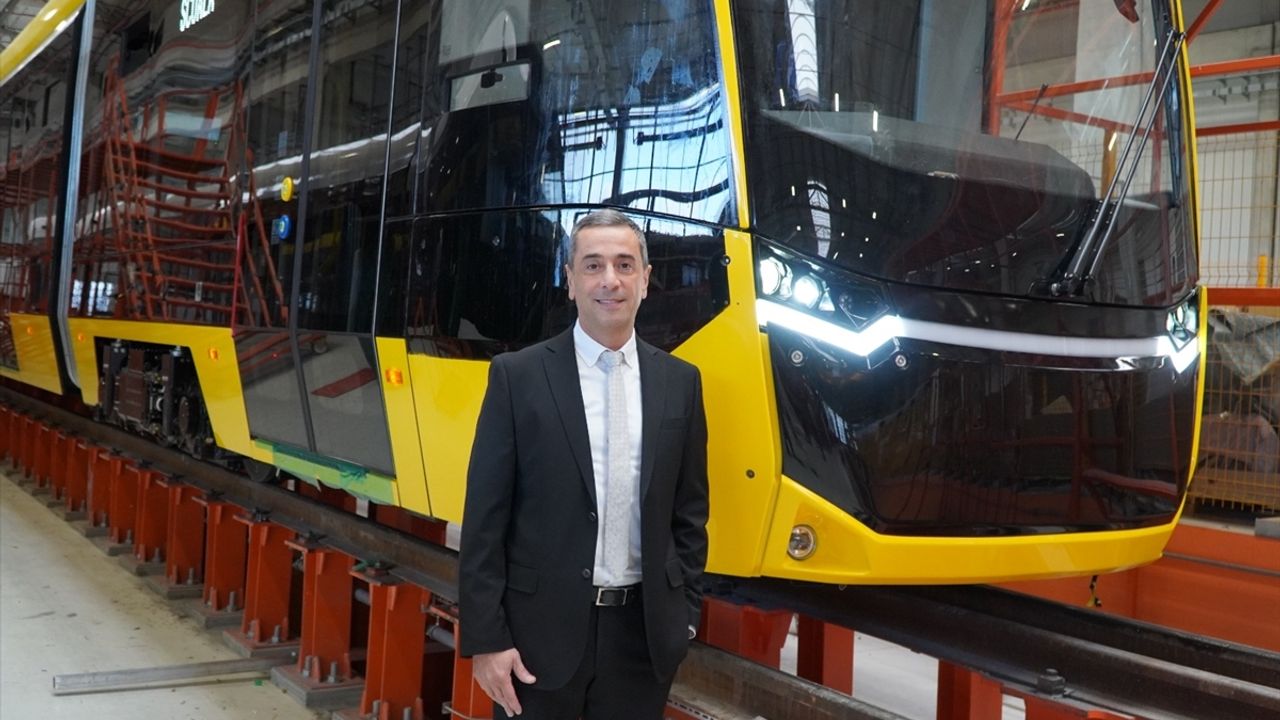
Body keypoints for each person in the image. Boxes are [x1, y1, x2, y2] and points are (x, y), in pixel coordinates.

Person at [459, 208, 709, 719]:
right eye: (593, 265)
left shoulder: (680, 383)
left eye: (624, 264)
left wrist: (683, 616)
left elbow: (690, 513)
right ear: (570, 281)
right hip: (535, 642)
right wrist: (486, 639)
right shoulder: (518, 377)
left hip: (642, 644)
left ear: (645, 280)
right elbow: (484, 520)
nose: (610, 280)